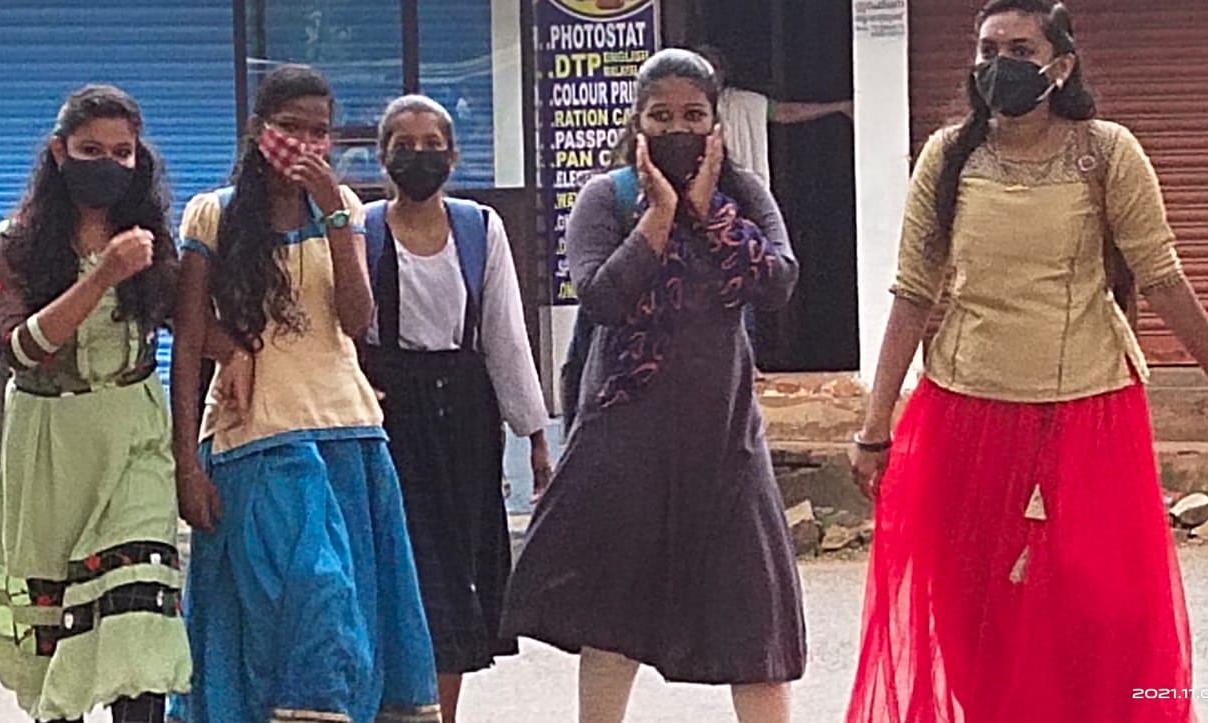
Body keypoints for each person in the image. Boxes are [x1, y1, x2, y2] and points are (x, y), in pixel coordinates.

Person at [844, 3, 1208, 722]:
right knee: (974, 614)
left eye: (1021, 48)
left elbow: (1163, 279)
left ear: (1062, 65)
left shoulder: (1105, 153)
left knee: (1108, 612)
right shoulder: (947, 157)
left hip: (1089, 411)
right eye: (988, 50)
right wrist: (874, 426)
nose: (1000, 64)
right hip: (965, 412)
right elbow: (913, 293)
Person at [502, 49, 807, 723]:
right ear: (636, 122)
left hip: (726, 442)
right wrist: (663, 214)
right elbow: (603, 296)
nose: (678, 129)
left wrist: (710, 214)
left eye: (693, 115)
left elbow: (778, 283)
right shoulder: (605, 198)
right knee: (613, 620)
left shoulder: (745, 196)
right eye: (661, 115)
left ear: (715, 122)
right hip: (624, 442)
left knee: (756, 624)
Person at [167, 65, 440, 723]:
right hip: (254, 438)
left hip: (350, 434)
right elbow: (186, 332)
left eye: (320, 132)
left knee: (357, 617)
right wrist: (185, 466)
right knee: (308, 601)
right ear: (259, 131)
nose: (305, 143)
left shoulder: (340, 206)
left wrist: (335, 217)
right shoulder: (214, 213)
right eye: (291, 128)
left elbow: (356, 319)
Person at [0, 85, 191, 723]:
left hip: (134, 439)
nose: (108, 164)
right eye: (91, 150)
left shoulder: (150, 240)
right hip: (48, 445)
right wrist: (104, 275)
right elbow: (24, 350)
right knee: (55, 628)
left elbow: (197, 327)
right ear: (59, 153)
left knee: (139, 608)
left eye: (122, 152)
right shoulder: (16, 243)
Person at [357, 95, 552, 722]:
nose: (419, 156)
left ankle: (440, 713)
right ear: (382, 158)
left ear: (454, 155)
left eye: (432, 145)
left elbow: (504, 334)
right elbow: (343, 328)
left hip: (465, 417)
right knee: (402, 568)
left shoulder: (479, 228)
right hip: (390, 416)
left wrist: (535, 434)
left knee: (456, 572)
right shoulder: (361, 229)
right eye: (404, 146)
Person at [694, 44, 853, 189]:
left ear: (724, 73)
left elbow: (785, 112)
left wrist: (838, 107)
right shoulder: (684, 105)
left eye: (715, 67)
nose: (711, 74)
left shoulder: (743, 102)